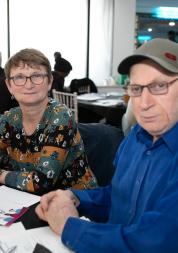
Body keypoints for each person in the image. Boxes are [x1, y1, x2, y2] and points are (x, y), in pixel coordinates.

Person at [36, 38, 178, 253]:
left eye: (159, 86)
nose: (144, 103)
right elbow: (118, 196)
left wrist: (67, 225)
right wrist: (74, 197)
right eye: (137, 89)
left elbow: (153, 242)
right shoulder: (135, 137)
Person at [0, 48, 97, 195]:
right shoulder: (8, 119)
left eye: (37, 76)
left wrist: (2, 175)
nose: (28, 85)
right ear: (9, 85)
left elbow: (42, 182)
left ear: (50, 81)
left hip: (78, 202)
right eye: (19, 77)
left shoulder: (61, 116)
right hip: (28, 199)